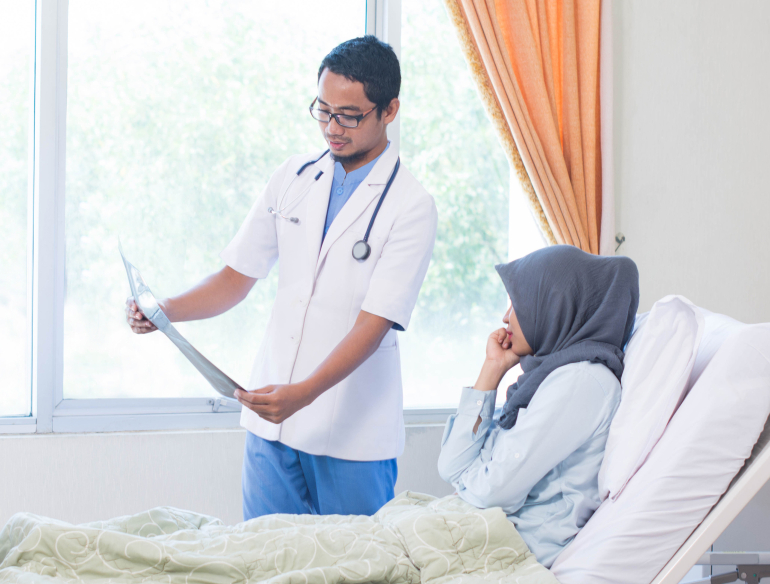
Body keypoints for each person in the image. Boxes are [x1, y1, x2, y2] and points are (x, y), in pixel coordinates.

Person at [126, 36, 438, 519]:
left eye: (349, 116)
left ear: (389, 110)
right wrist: (165, 310)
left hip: (351, 432)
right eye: (323, 110)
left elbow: (374, 325)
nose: (332, 128)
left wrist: (304, 395)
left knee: (353, 569)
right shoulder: (293, 178)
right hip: (271, 423)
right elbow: (236, 277)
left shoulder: (411, 206)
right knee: (264, 563)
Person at [437, 245, 639, 568]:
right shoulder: (547, 378)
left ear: (555, 305)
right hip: (487, 533)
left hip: (513, 549)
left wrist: (466, 484)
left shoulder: (582, 383)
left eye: (517, 303)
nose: (505, 317)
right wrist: (491, 370)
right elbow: (451, 467)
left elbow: (493, 492)